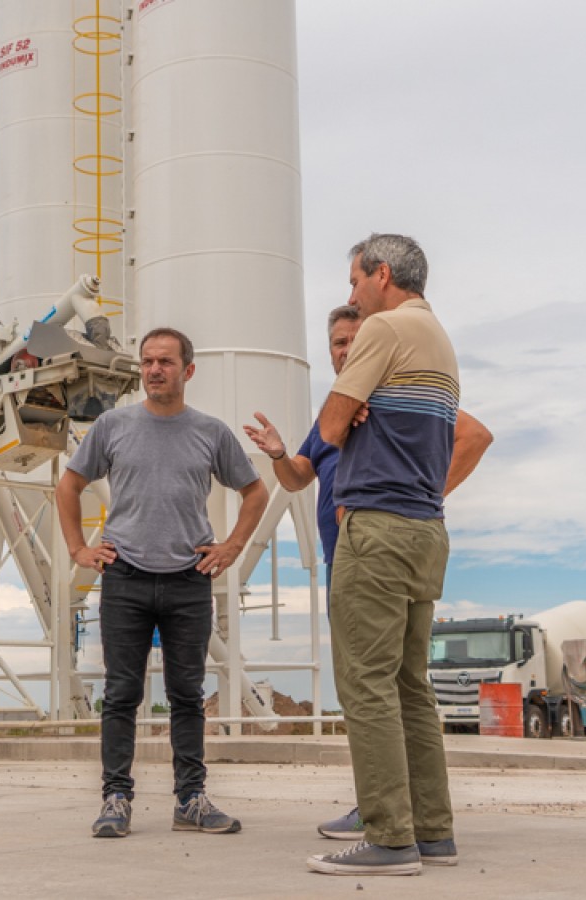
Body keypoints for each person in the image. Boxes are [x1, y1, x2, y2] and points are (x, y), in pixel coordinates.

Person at [243, 303, 491, 847]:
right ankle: (407, 819)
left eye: (356, 339)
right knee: (393, 689)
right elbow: (297, 478)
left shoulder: (391, 397)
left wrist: (415, 501)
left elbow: (474, 435)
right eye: (337, 343)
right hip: (349, 560)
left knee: (372, 690)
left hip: (378, 548)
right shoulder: (337, 411)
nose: (347, 350)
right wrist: (280, 453)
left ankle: (389, 831)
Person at [58, 326, 267, 839]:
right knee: (122, 693)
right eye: (148, 361)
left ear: (187, 371)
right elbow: (69, 484)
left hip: (188, 579)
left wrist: (232, 545)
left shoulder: (211, 433)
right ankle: (115, 798)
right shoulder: (113, 425)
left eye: (166, 362)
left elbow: (256, 491)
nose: (155, 369)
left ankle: (190, 799)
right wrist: (79, 550)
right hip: (125, 576)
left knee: (187, 695)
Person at [309, 233, 461, 876]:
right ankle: (432, 831)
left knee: (365, 684)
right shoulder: (441, 340)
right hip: (427, 528)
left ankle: (390, 837)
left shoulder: (383, 328)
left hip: (376, 527)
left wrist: (349, 396)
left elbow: (331, 428)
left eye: (353, 282)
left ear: (381, 274)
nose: (351, 296)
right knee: (409, 686)